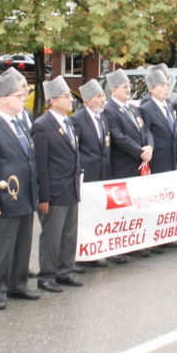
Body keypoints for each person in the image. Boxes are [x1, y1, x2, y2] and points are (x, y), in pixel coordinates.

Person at [0, 69, 41, 309]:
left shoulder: (21, 123)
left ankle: (17, 284)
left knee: (22, 245)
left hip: (24, 196)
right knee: (0, 247)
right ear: (3, 98)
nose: (23, 98)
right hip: (4, 198)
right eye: (18, 95)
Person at [32, 76, 83, 293]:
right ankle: (47, 275)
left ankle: (65, 270)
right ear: (53, 101)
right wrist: (43, 196)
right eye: (66, 96)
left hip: (70, 188)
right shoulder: (42, 126)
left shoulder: (68, 122)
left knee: (69, 233)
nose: (71, 100)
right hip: (53, 191)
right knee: (52, 235)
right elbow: (40, 165)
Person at [71, 78, 113, 269]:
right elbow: (75, 150)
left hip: (102, 176)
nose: (104, 100)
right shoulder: (77, 119)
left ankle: (94, 253)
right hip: (86, 176)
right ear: (88, 100)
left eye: (103, 96)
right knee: (81, 219)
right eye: (99, 96)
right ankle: (77, 257)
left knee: (97, 217)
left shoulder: (103, 119)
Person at [102, 70, 153, 179]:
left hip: (141, 164)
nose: (129, 89)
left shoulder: (134, 109)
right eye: (124, 87)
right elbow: (118, 137)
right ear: (114, 90)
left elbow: (145, 130)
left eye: (129, 86)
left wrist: (150, 147)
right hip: (124, 167)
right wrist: (141, 152)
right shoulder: (108, 110)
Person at [139, 67, 177, 174]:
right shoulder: (146, 109)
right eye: (162, 85)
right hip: (157, 162)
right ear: (151, 89)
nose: (166, 88)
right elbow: (146, 135)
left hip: (172, 160)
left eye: (167, 85)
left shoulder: (169, 106)